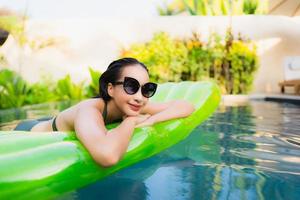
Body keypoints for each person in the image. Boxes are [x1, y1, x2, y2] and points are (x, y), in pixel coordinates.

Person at [14, 57, 195, 167]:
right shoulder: (89, 110)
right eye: (131, 86)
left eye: (146, 89)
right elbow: (107, 156)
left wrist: (150, 121)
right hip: (29, 131)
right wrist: (131, 121)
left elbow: (186, 106)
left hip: (57, 120)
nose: (140, 97)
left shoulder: (133, 103)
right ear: (110, 89)